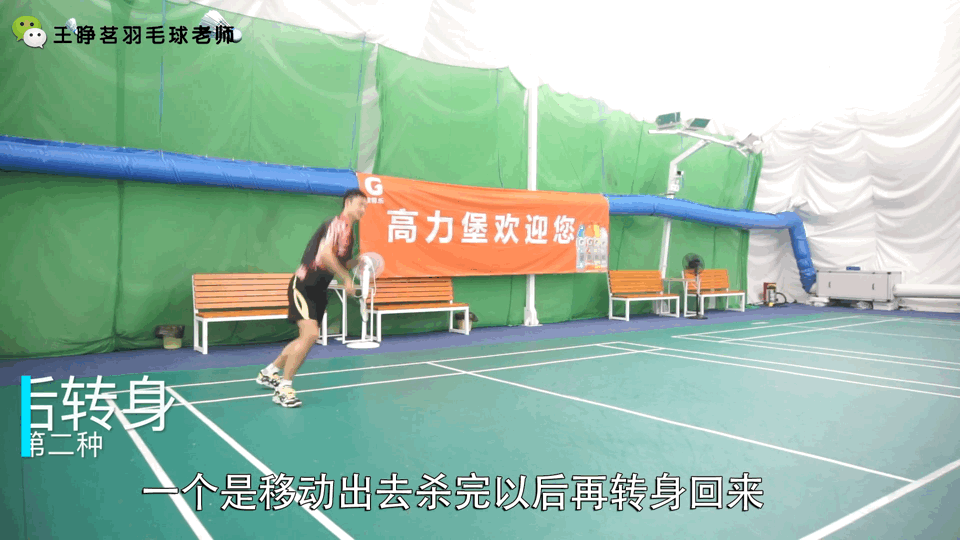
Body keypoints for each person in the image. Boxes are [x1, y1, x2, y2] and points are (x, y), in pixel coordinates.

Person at [255, 189, 367, 407]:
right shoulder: (336, 224)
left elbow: (340, 263)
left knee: (305, 338)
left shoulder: (349, 233)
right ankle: (284, 388)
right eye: (360, 204)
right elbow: (325, 255)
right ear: (348, 203)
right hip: (304, 284)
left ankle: (269, 372)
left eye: (366, 206)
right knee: (310, 334)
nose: (363, 210)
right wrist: (347, 279)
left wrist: (357, 262)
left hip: (319, 290)